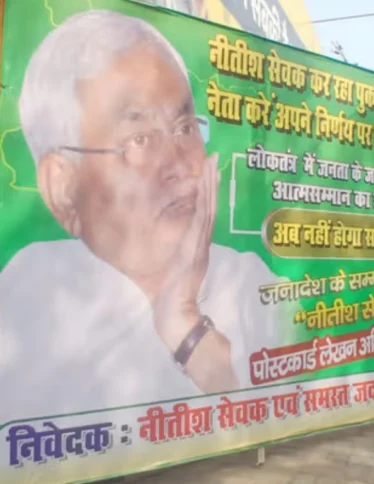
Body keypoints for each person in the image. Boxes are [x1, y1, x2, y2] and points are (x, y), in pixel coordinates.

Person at [0, 10, 288, 421]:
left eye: (185, 127)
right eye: (139, 140)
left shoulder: (249, 282)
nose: (180, 164)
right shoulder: (27, 300)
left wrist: (185, 324)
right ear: (62, 189)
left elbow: (273, 412)